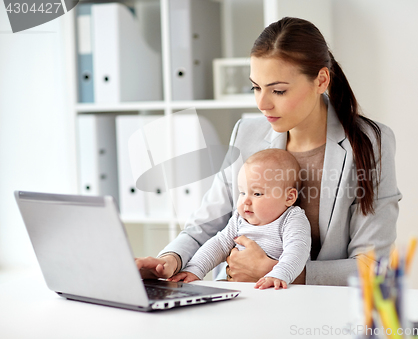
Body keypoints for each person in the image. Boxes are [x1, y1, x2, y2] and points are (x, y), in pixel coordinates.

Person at [136, 17, 402, 286]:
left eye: (278, 90)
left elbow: (373, 266)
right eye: (256, 87)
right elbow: (204, 227)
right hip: (240, 300)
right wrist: (169, 260)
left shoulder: (369, 142)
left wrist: (277, 272)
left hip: (321, 308)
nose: (262, 104)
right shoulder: (246, 133)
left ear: (321, 80)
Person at [168, 149, 311, 290]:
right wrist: (195, 269)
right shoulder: (239, 218)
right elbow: (219, 244)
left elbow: (297, 252)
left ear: (289, 197)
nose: (245, 201)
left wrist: (279, 274)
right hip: (236, 287)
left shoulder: (292, 219)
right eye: (242, 192)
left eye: (257, 193)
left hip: (271, 290)